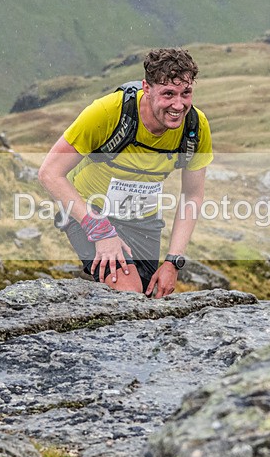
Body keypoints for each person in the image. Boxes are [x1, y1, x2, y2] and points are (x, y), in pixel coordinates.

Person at [38, 48, 213, 298]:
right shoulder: (108, 113)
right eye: (168, 94)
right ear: (147, 88)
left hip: (143, 220)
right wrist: (101, 231)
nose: (178, 105)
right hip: (90, 211)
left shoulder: (195, 126)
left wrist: (173, 261)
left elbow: (192, 195)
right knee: (128, 292)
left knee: (152, 296)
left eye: (186, 93)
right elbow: (49, 173)